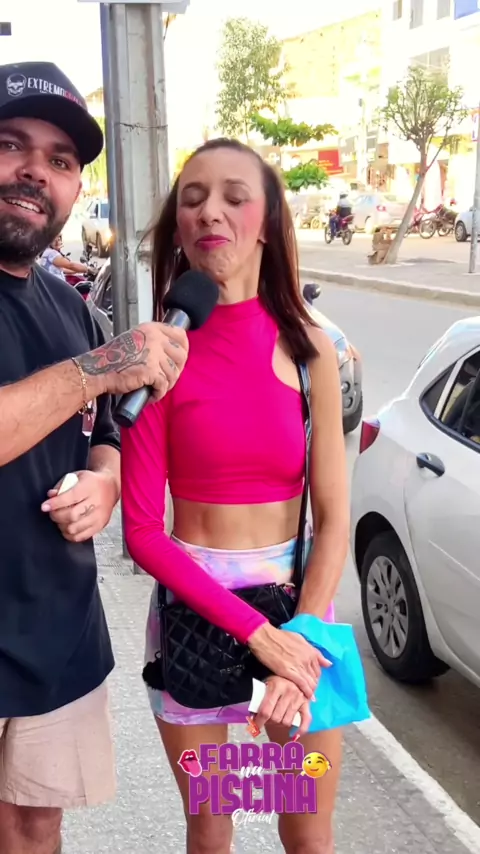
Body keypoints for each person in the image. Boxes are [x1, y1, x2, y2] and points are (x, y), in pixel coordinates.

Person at [121, 138, 349, 854]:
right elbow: (141, 532)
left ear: (269, 222)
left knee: (306, 828)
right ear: (177, 230)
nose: (209, 212)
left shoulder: (311, 348)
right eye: (192, 201)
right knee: (213, 824)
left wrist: (298, 639)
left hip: (300, 612)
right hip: (194, 614)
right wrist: (258, 637)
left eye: (233, 197)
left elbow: (333, 518)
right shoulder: (157, 354)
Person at [0, 60, 189, 854]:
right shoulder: (93, 344)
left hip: (58, 629)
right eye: (11, 145)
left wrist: (106, 483)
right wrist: (101, 367)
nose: (34, 171)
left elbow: (102, 429)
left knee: (35, 825)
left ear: (76, 188)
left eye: (60, 160)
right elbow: (95, 381)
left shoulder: (71, 308)